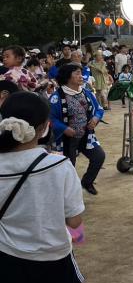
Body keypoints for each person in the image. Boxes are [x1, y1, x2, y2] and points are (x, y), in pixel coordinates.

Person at [0, 92, 85, 283]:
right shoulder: (58, 165)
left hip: (5, 258)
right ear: (44, 127)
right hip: (51, 257)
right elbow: (74, 220)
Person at [49, 64, 106, 196]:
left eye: (81, 73)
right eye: (77, 73)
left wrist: (96, 118)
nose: (81, 76)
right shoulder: (56, 97)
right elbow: (50, 118)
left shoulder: (86, 92)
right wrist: (64, 128)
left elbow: (99, 109)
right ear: (67, 77)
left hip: (86, 135)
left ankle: (87, 181)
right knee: (68, 166)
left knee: (99, 156)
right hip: (66, 139)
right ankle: (68, 195)